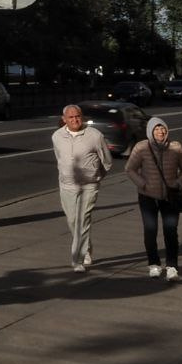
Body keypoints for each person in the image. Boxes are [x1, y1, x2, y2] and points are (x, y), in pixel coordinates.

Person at [125, 117, 182, 282]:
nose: (160, 132)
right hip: (148, 196)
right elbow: (130, 169)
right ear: (150, 132)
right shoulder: (141, 147)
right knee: (150, 230)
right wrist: (143, 184)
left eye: (163, 129)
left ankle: (172, 267)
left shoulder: (176, 147)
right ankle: (154, 264)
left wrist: (178, 182)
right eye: (156, 129)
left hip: (170, 197)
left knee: (170, 231)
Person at [51, 104, 113, 272]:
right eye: (70, 117)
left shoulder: (95, 135)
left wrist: (96, 177)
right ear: (64, 119)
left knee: (82, 220)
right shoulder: (57, 136)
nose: (75, 120)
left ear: (82, 117)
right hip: (67, 186)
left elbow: (107, 161)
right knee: (72, 220)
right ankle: (86, 247)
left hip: (89, 186)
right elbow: (59, 158)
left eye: (77, 116)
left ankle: (78, 258)